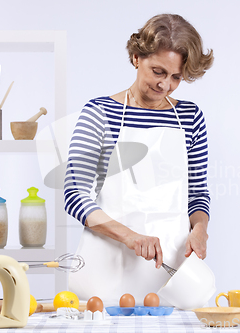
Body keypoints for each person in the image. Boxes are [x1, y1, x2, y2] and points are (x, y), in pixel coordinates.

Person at [64, 13, 214, 305]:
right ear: (136, 58)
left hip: (172, 275)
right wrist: (131, 237)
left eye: (176, 77)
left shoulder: (190, 118)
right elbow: (75, 196)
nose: (165, 86)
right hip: (105, 271)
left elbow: (196, 195)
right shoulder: (99, 114)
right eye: (158, 71)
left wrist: (200, 229)